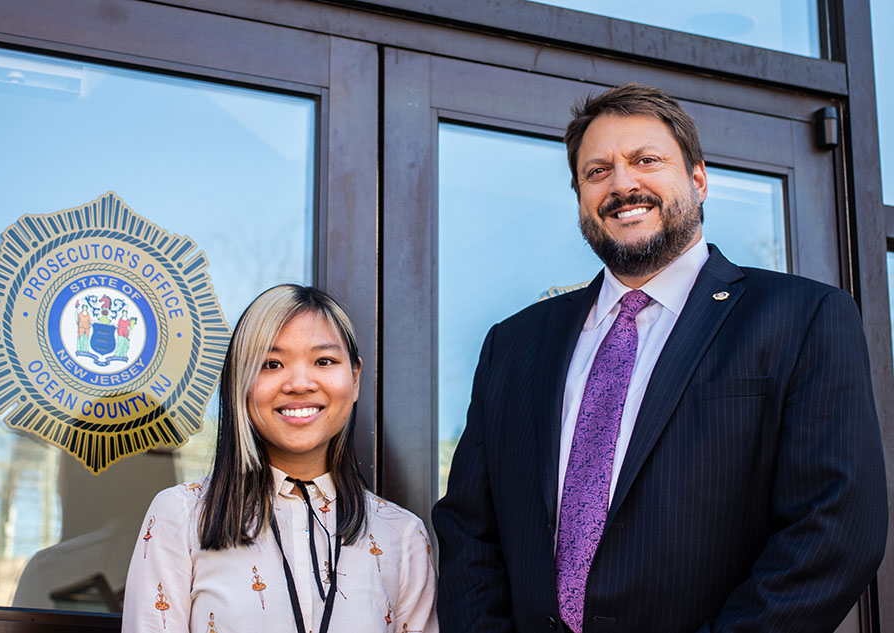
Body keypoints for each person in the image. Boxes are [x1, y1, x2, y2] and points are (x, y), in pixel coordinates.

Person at [432, 83, 887, 633]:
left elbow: (835, 527)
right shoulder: (513, 343)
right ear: (579, 195)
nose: (622, 183)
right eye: (597, 171)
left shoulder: (804, 318)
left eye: (646, 160)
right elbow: (469, 532)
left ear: (697, 179)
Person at [124, 284, 438, 632]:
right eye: (272, 364)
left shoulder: (403, 535)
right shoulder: (180, 517)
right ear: (240, 383)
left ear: (355, 378)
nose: (300, 383)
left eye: (324, 361)